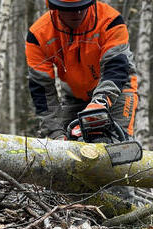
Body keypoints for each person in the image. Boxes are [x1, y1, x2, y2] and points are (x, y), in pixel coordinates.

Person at [25, 0, 138, 140]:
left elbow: (116, 67)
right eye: (70, 9)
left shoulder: (110, 21)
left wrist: (100, 102)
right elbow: (41, 89)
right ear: (54, 7)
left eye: (81, 7)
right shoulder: (38, 36)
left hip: (117, 90)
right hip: (74, 96)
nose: (77, 13)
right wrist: (54, 131)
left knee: (116, 142)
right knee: (61, 146)